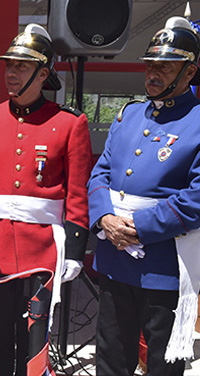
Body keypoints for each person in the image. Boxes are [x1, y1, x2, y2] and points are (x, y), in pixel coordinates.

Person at [0, 24, 92, 376]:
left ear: (43, 73)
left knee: (35, 339)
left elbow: (77, 192)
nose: (11, 73)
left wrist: (76, 250)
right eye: (9, 65)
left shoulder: (69, 123)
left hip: (43, 250)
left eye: (21, 66)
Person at [89, 16, 200, 375]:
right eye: (150, 65)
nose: (152, 74)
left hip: (164, 268)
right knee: (110, 362)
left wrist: (136, 227)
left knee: (163, 367)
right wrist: (105, 218)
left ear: (189, 72)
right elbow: (100, 174)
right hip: (114, 260)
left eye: (165, 68)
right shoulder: (129, 114)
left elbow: (197, 198)